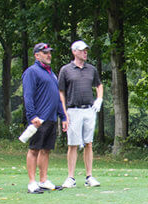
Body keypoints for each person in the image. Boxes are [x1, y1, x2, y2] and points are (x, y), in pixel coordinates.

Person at [57, 40, 105, 188]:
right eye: (82, 50)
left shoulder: (91, 69)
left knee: (89, 143)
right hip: (73, 110)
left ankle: (89, 176)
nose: (85, 52)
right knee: (73, 144)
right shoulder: (66, 70)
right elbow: (61, 92)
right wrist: (64, 113)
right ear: (74, 52)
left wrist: (99, 98)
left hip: (89, 110)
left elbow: (99, 85)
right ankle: (71, 177)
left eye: (86, 50)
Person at [22, 43, 68, 193]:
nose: (49, 55)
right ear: (37, 55)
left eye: (49, 52)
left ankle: (43, 180)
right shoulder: (32, 72)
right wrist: (32, 115)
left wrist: (63, 116)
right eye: (45, 53)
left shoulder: (51, 74)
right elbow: (28, 96)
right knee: (34, 149)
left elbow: (56, 98)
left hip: (51, 118)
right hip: (39, 119)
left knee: (46, 149)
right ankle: (32, 182)